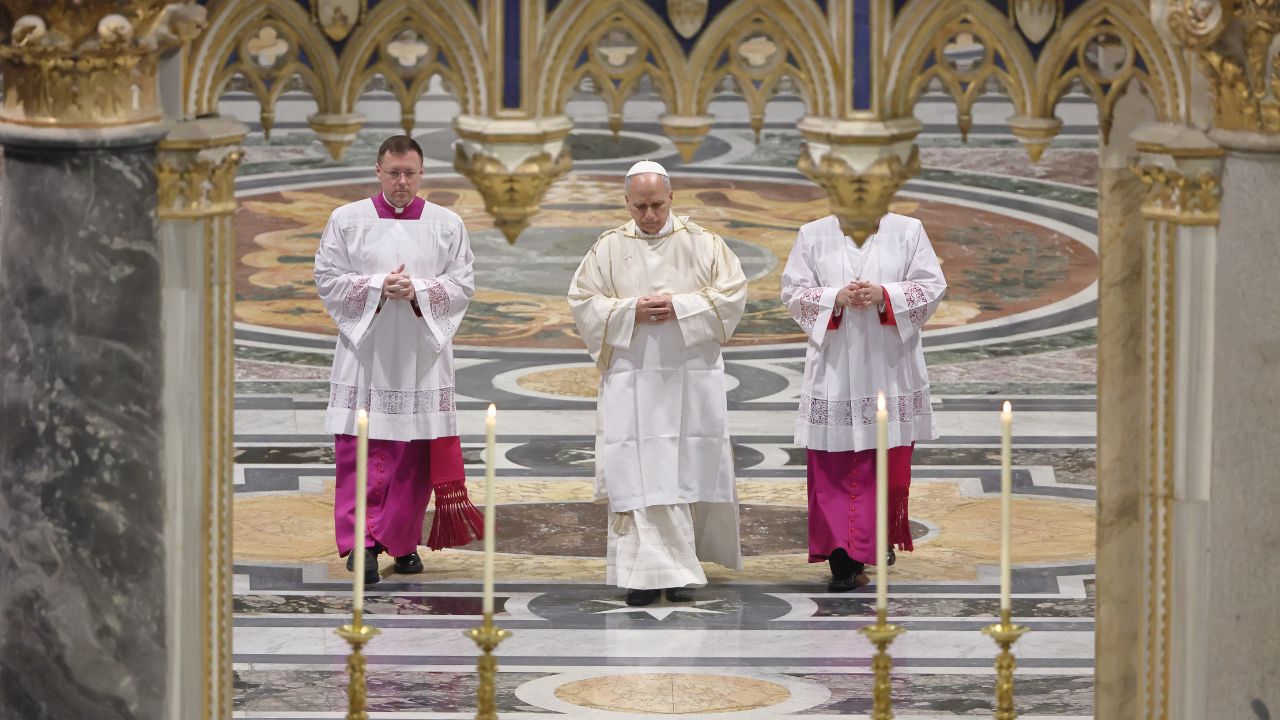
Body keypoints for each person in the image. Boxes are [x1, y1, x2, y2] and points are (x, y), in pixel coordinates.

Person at [567, 160, 748, 606]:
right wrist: (631, 311)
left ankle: (682, 569)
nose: (649, 216)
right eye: (640, 207)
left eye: (657, 205)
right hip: (632, 379)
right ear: (626, 203)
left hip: (689, 378)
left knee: (683, 466)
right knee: (637, 470)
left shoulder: (704, 244)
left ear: (673, 198)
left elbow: (733, 294)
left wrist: (678, 306)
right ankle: (642, 574)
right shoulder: (608, 248)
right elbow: (582, 302)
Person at [314, 135, 480, 585]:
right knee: (361, 449)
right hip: (365, 354)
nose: (402, 182)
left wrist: (419, 291)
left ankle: (402, 541)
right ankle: (362, 546)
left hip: (420, 356)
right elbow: (326, 277)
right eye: (393, 173)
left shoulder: (447, 224)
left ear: (422, 172)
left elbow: (463, 283)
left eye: (410, 173)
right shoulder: (347, 220)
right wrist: (376, 287)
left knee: (413, 454)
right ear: (378, 171)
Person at [780, 212, 946, 591]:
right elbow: (793, 291)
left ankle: (874, 538)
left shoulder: (908, 230)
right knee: (833, 462)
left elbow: (931, 285)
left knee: (884, 460)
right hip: (835, 368)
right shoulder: (813, 233)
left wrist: (885, 295)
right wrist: (833, 297)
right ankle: (842, 555)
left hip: (888, 363)